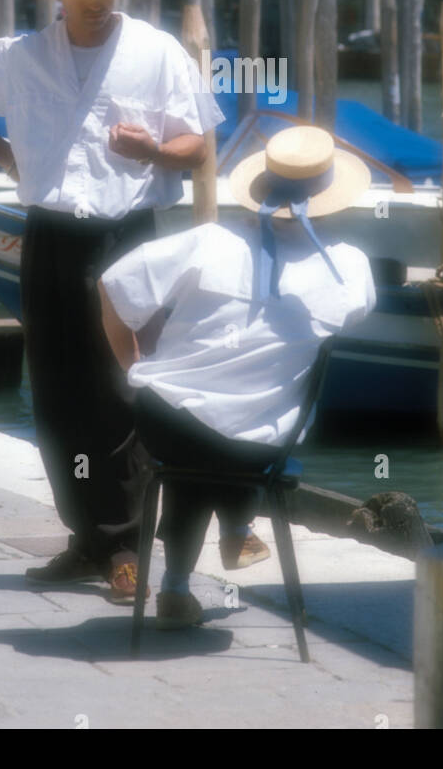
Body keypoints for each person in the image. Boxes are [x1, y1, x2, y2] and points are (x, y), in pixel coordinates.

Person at [0, 0, 223, 605]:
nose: (96, 2)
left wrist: (150, 149)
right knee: (58, 393)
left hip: (128, 238)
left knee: (121, 388)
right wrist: (3, 156)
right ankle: (86, 538)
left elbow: (199, 149)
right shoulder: (20, 55)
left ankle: (127, 544)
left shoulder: (156, 53)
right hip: (50, 236)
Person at [97, 125, 377, 628]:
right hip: (258, 447)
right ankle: (236, 525)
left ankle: (180, 585)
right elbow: (347, 317)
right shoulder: (349, 270)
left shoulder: (205, 243)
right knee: (240, 432)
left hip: (168, 422)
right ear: (331, 198)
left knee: (197, 447)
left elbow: (112, 286)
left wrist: (133, 367)